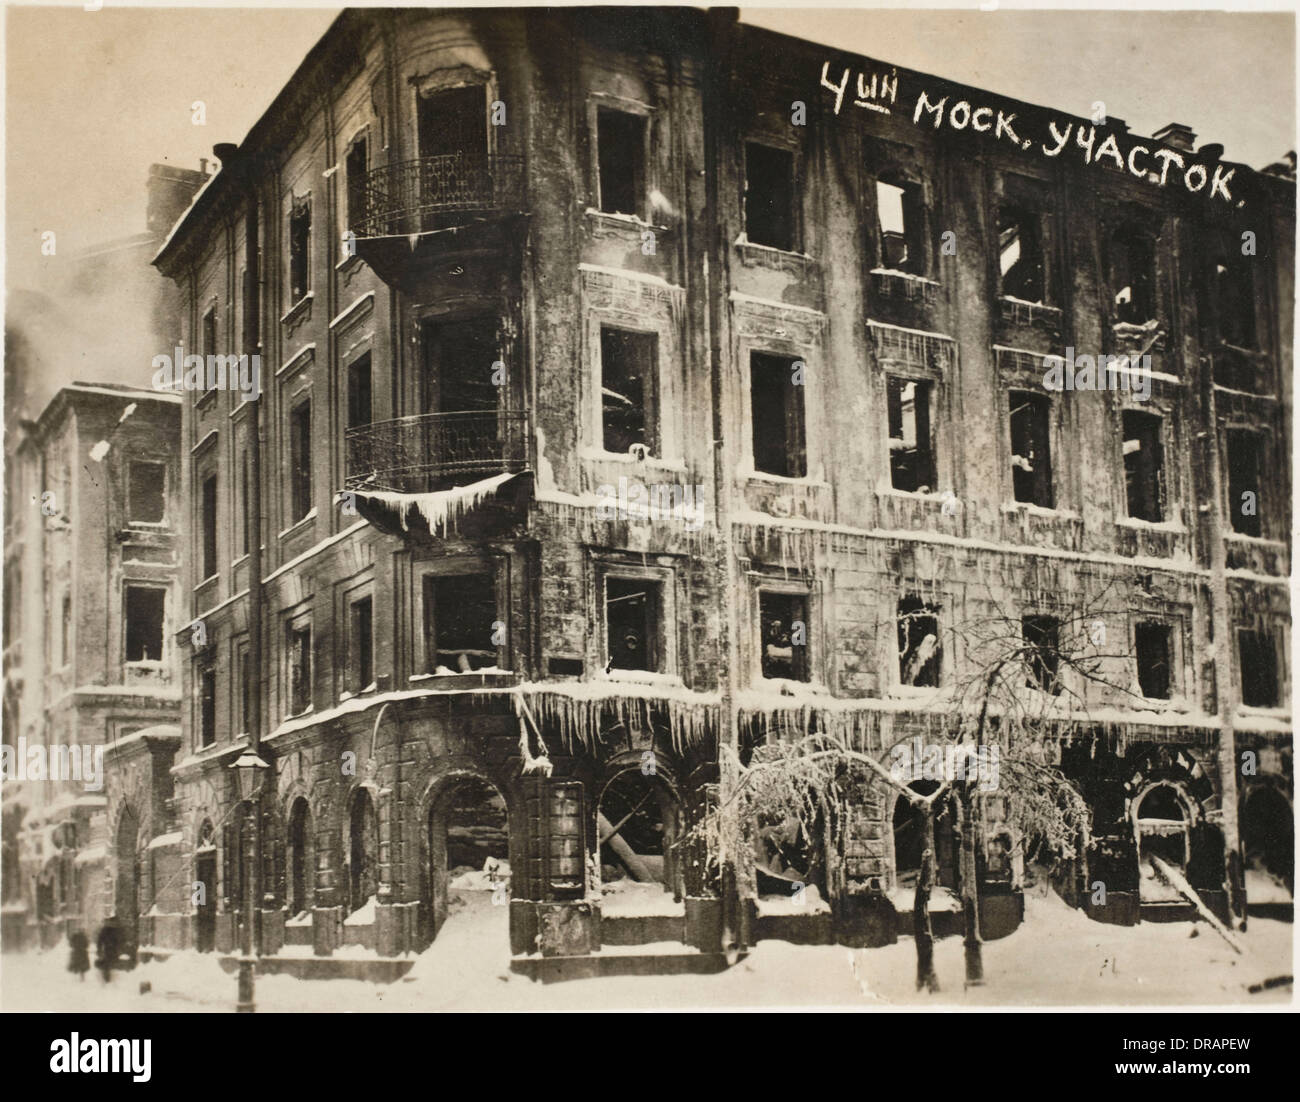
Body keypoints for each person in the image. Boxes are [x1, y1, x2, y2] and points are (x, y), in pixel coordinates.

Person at [95, 916, 120, 983]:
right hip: (110, 950)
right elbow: (100, 941)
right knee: (109, 964)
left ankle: (107, 978)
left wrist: (99, 949)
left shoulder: (106, 930)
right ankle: (109, 979)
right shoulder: (114, 930)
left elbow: (100, 941)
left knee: (107, 964)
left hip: (108, 950)